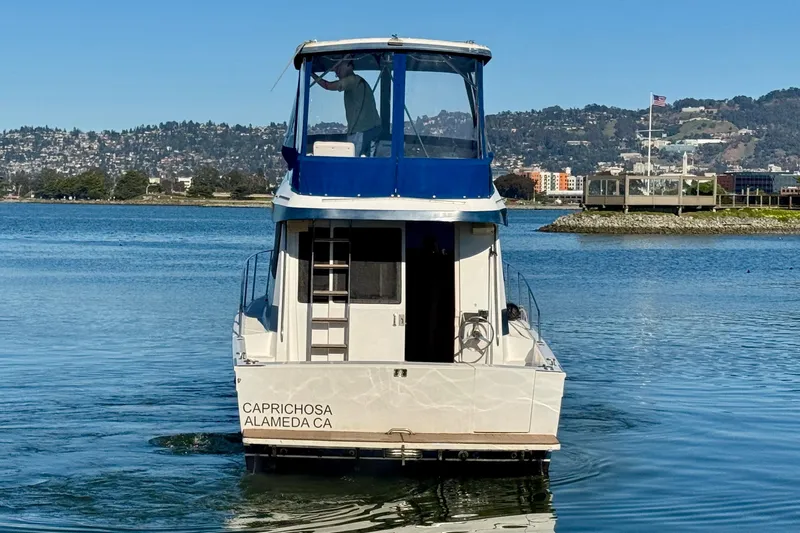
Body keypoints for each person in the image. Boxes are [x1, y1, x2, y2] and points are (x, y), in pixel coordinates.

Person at [312, 60, 382, 156]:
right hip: (374, 129)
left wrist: (311, 73)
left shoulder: (352, 80)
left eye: (338, 68)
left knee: (354, 165)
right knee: (370, 162)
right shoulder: (360, 81)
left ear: (348, 64)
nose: (336, 73)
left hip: (360, 132)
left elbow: (327, 85)